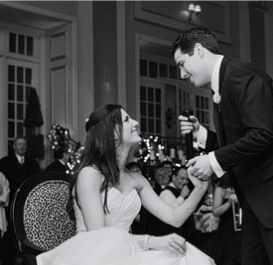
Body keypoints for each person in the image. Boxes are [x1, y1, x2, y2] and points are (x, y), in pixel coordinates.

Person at [170, 27, 273, 264]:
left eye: (182, 63)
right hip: (257, 195)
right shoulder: (224, 82)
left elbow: (262, 135)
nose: (182, 74)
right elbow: (241, 142)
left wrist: (213, 161)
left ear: (200, 51)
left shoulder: (240, 76)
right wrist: (201, 134)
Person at [36, 104, 214, 265]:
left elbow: (174, 217)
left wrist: (199, 189)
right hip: (95, 257)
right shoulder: (90, 175)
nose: (136, 122)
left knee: (190, 258)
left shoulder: (137, 180)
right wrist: (151, 241)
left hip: (128, 253)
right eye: (127, 120)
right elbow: (100, 238)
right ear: (112, 132)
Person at [0, 137, 40, 265]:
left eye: (24, 144)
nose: (22, 146)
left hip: (28, 204)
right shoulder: (5, 162)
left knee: (26, 232)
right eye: (19, 144)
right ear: (14, 146)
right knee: (10, 235)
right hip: (10, 204)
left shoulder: (33, 163)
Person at [211, 174, 241, 265]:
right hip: (227, 231)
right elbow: (215, 212)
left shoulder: (242, 187)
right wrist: (229, 202)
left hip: (242, 229)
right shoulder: (220, 190)